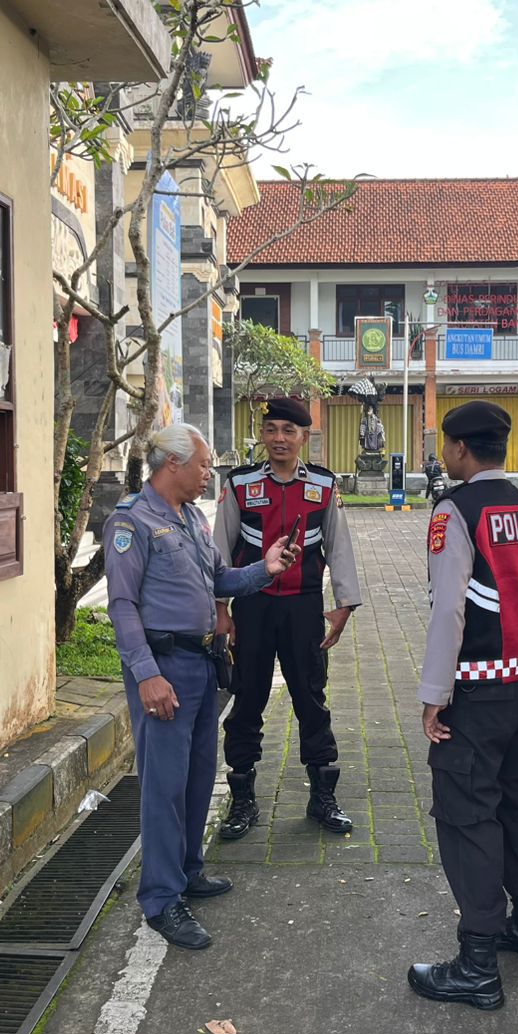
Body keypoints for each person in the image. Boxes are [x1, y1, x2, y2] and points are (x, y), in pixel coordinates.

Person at [104, 423, 298, 950]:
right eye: (204, 464)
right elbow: (121, 606)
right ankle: (161, 899)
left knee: (196, 780)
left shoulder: (190, 517)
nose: (209, 473)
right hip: (163, 669)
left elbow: (220, 580)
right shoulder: (132, 521)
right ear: (173, 463)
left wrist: (265, 568)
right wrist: (146, 675)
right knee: (163, 788)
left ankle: (188, 871)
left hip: (200, 666)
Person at [408, 400, 518, 1011]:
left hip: (476, 690)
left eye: (445, 445)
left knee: (468, 816)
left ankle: (477, 964)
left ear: (461, 449)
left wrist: (433, 696)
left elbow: (449, 609)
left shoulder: (455, 511)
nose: (444, 455)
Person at [214, 397, 362, 840]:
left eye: (288, 431)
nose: (279, 438)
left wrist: (344, 605)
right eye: (272, 429)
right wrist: (221, 610)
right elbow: (219, 551)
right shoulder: (240, 484)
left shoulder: (323, 484)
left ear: (304, 437)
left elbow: (339, 547)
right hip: (252, 608)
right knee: (247, 700)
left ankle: (322, 796)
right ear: (263, 434)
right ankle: (243, 799)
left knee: (311, 699)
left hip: (303, 608)